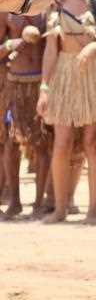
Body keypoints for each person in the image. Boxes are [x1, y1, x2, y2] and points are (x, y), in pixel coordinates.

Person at [37, 0, 96, 224]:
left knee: (91, 143)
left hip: (94, 74)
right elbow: (50, 49)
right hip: (64, 73)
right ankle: (60, 208)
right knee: (61, 143)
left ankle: (93, 211)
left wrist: (93, 47)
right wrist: (44, 87)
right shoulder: (55, 3)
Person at [0, 12, 49, 219]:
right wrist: (11, 45)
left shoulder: (46, 9)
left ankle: (39, 203)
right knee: (11, 144)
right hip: (15, 84)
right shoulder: (5, 13)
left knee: (41, 144)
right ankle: (15, 201)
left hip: (40, 84)